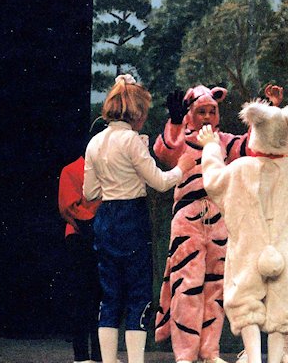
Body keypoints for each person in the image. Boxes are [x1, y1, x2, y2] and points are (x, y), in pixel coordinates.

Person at [153, 84, 283, 363]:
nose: (207, 116)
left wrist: (267, 112)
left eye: (212, 111)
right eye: (201, 111)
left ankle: (209, 351)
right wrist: (175, 122)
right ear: (191, 113)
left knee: (216, 287)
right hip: (188, 218)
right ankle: (185, 354)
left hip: (220, 218)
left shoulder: (223, 141)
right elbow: (164, 152)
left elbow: (252, 146)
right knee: (187, 285)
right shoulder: (182, 137)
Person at [197, 99, 288, 363]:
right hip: (286, 247)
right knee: (283, 305)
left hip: (249, 246)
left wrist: (211, 147)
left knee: (245, 299)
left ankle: (254, 358)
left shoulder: (241, 168)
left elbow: (214, 181)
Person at [83, 74, 195, 363]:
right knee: (138, 294)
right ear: (137, 111)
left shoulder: (95, 142)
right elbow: (160, 182)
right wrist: (182, 167)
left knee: (110, 296)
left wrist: (113, 181)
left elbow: (90, 192)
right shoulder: (131, 141)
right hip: (131, 218)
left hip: (106, 218)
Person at [58, 118, 105, 363]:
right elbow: (69, 207)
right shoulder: (72, 169)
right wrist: (95, 223)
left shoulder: (108, 171)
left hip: (102, 239)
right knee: (82, 298)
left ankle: (99, 355)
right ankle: (81, 356)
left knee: (101, 300)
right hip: (80, 238)